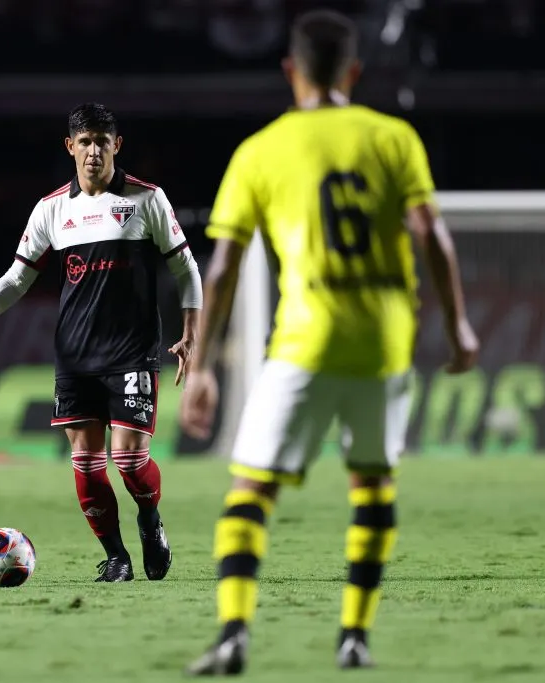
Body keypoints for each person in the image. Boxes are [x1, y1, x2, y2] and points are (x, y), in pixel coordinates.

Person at [180, 9, 479, 675]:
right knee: (372, 484)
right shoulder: (392, 136)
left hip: (305, 341)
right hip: (383, 342)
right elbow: (432, 234)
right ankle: (354, 636)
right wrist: (458, 324)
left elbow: (224, 265)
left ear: (290, 71)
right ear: (354, 71)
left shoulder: (260, 150)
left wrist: (201, 366)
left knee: (250, 489)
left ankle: (233, 633)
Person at [0, 103, 203, 583]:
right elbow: (18, 276)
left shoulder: (146, 199)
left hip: (132, 350)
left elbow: (185, 268)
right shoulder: (52, 209)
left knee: (130, 460)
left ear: (117, 146)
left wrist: (190, 334)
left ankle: (150, 522)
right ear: (70, 147)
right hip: (75, 356)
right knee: (86, 464)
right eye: (84, 142)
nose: (93, 152)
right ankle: (117, 557)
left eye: (102, 142)